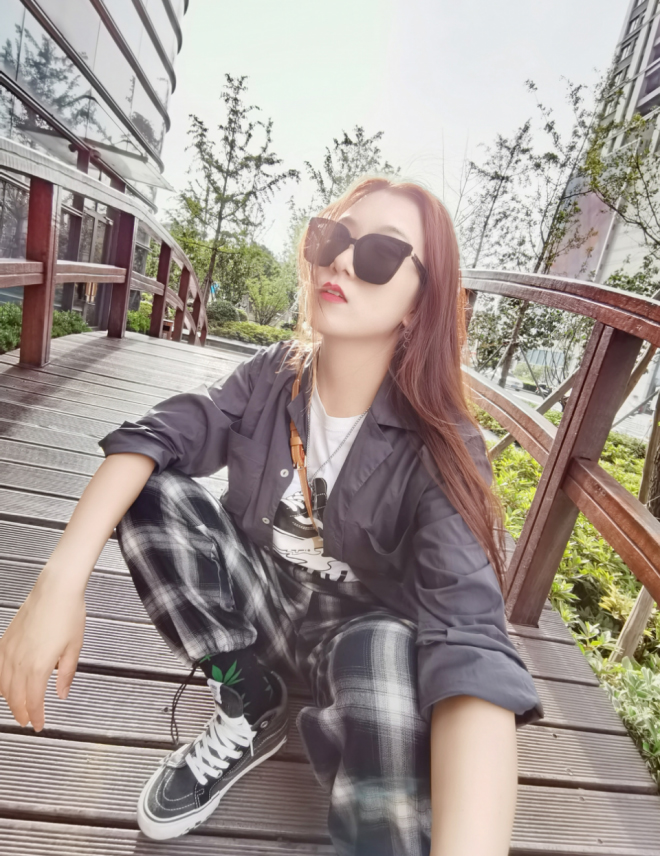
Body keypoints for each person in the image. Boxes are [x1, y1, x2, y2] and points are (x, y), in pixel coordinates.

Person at [0, 176, 544, 856]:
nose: (341, 261)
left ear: (418, 306)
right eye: (332, 237)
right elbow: (155, 436)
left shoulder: (441, 444)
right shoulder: (271, 375)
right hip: (261, 606)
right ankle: (249, 698)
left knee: (383, 660)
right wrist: (58, 583)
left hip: (358, 641)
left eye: (380, 253)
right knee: (147, 490)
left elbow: (470, 638)